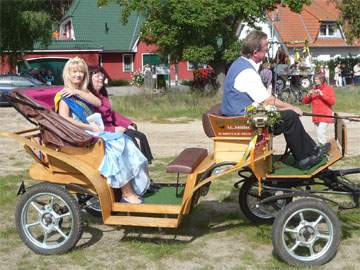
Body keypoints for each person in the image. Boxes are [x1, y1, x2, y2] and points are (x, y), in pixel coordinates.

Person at [221, 30, 329, 170]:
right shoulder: (246, 72)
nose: (267, 50)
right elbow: (267, 100)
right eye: (265, 47)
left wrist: (284, 106)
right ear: (255, 52)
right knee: (289, 117)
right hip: (244, 122)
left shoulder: (239, 63)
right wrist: (291, 107)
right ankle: (306, 158)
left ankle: (312, 151)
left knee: (287, 116)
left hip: (241, 116)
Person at [56, 57, 149, 204]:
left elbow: (98, 102)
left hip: (92, 129)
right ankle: (127, 192)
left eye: (81, 72)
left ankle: (134, 187)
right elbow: (65, 119)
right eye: (74, 72)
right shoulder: (64, 96)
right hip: (81, 133)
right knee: (117, 146)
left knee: (126, 142)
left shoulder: (81, 92)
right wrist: (88, 127)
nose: (78, 75)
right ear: (67, 73)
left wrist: (77, 92)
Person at [87, 65, 154, 164]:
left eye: (101, 75)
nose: (101, 78)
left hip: (112, 127)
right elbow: (93, 123)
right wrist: (113, 129)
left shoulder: (102, 94)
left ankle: (144, 168)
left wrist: (127, 124)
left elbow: (111, 114)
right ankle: (136, 170)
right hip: (103, 131)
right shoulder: (88, 97)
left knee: (140, 136)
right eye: (97, 76)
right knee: (132, 140)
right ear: (89, 79)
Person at [303, 73, 336, 146]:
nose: (315, 81)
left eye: (316, 79)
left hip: (325, 115)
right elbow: (305, 102)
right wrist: (308, 95)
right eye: (314, 79)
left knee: (321, 133)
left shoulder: (328, 88)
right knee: (318, 134)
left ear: (322, 79)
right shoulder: (314, 89)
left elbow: (333, 101)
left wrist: (322, 94)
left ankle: (324, 152)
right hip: (316, 116)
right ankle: (321, 151)